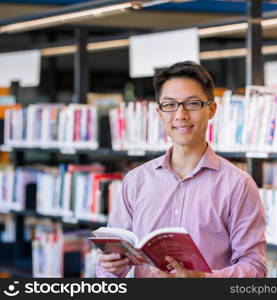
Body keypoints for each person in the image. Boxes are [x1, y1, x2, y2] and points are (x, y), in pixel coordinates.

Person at [96, 61, 266, 278]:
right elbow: (108, 272)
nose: (180, 115)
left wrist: (204, 280)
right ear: (159, 112)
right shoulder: (136, 181)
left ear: (211, 109)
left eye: (193, 104)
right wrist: (110, 266)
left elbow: (256, 269)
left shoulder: (238, 185)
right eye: (169, 105)